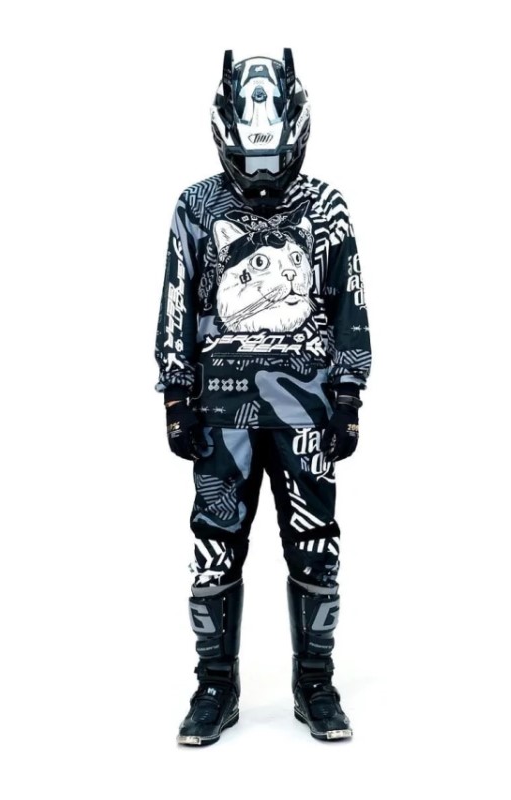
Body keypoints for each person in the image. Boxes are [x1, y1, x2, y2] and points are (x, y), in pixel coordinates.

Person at [154, 49, 371, 745]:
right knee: (215, 546)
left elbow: (348, 302)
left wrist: (349, 393)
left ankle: (316, 685)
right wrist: (175, 395)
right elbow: (176, 302)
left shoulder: (326, 206)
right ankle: (215, 686)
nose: (262, 172)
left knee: (315, 544)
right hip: (222, 414)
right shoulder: (195, 207)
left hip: (306, 411)